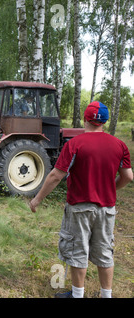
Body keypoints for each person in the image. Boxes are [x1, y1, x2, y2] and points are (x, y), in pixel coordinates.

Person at [29, 101, 133, 298]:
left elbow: (55, 176)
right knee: (104, 254)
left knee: (78, 252)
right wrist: (111, 188)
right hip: (107, 209)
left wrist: (37, 199)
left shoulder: (75, 144)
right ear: (105, 121)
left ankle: (77, 295)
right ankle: (106, 295)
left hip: (79, 208)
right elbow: (128, 176)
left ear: (85, 119)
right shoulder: (120, 145)